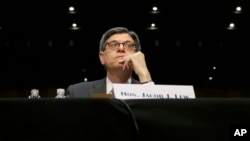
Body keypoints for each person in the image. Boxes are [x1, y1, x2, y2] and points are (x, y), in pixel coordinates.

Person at [66, 27, 154, 98]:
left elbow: (156, 115)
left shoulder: (147, 91)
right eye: (113, 45)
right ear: (102, 57)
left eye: (129, 45)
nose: (121, 48)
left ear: (137, 55)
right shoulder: (78, 93)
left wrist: (144, 73)